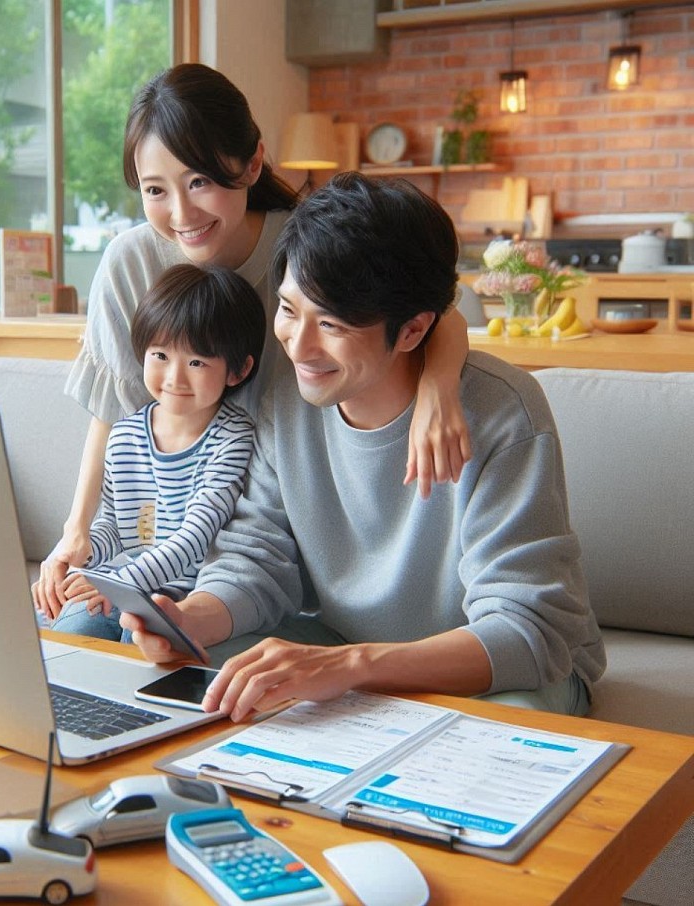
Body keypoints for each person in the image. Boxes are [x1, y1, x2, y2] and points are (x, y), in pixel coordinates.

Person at [119, 173, 606, 721]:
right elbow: (256, 558)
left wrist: (352, 666)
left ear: (414, 330)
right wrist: (193, 619)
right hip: (340, 644)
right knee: (202, 683)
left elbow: (528, 631)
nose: (299, 345)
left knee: (500, 732)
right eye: (287, 309)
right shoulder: (285, 397)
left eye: (330, 323)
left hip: (493, 670)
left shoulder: (503, 412)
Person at [31, 63, 472, 620]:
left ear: (253, 162)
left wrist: (439, 387)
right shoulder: (131, 262)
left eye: (201, 181)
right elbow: (114, 417)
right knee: (71, 637)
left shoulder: (303, 244)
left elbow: (433, 310)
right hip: (165, 539)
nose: (182, 213)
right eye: (155, 190)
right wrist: (78, 533)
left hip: (275, 539)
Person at [40, 263, 265, 640]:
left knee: (138, 639)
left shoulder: (233, 437)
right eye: (160, 356)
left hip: (188, 597)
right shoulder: (125, 434)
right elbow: (114, 526)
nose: (175, 377)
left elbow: (195, 537)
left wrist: (118, 584)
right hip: (122, 581)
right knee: (71, 629)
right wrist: (81, 561)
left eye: (196, 362)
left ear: (238, 371)